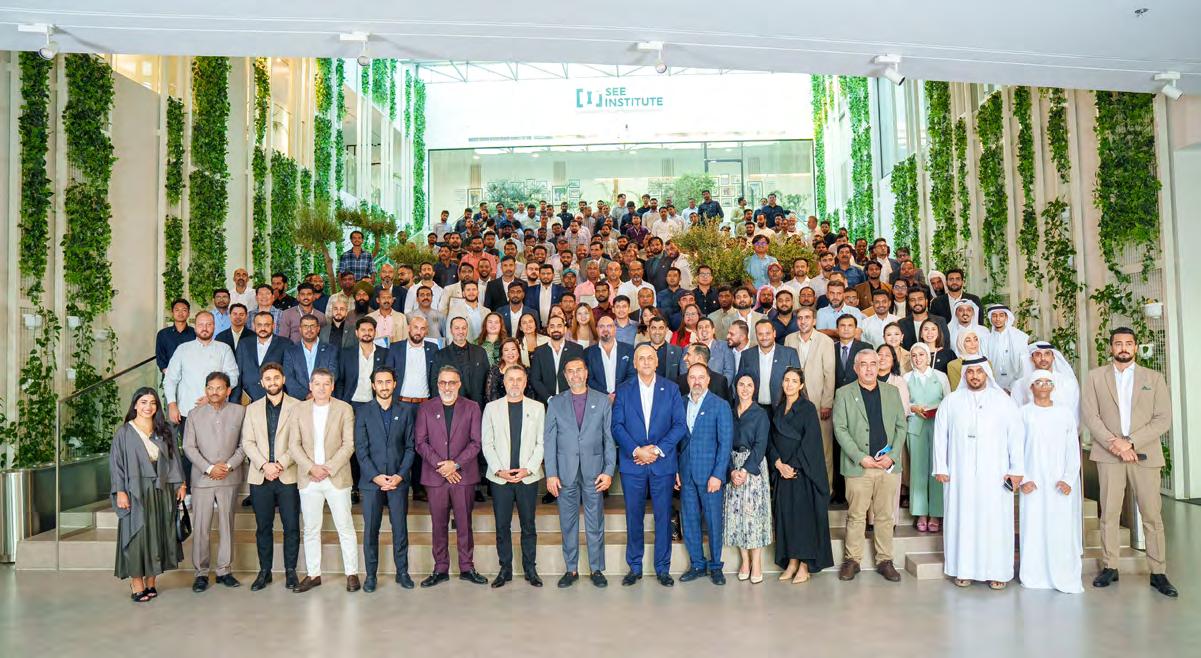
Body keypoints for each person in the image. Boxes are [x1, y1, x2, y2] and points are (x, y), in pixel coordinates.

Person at [1081, 327, 1176, 597]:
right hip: (1109, 455)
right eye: (1118, 343)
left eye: (1128, 343)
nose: (1123, 347)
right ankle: (1110, 566)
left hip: (1144, 454)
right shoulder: (1095, 377)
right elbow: (1090, 415)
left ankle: (1158, 572)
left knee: (1152, 515)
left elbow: (1163, 418)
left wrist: (1130, 442)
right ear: (1111, 347)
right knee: (1109, 513)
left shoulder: (1153, 378)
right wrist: (1115, 444)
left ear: (1135, 347)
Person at [932, 357, 1024, 590]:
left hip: (996, 474)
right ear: (964, 374)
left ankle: (998, 572)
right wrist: (940, 466)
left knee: (995, 522)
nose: (974, 376)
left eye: (979, 371)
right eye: (970, 372)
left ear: (987, 374)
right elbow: (940, 436)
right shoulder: (951, 401)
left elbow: (1016, 437)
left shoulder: (1003, 402)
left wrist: (1016, 470)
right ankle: (963, 570)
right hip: (960, 474)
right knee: (962, 520)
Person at [612, 344, 687, 587]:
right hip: (632, 463)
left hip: (661, 463)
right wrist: (637, 450)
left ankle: (662, 568)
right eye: (641, 358)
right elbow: (617, 426)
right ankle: (634, 567)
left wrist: (655, 450)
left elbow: (679, 425)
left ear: (657, 362)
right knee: (633, 516)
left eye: (650, 358)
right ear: (634, 363)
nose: (645, 362)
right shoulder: (623, 390)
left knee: (663, 517)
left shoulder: (671, 389)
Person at [832, 351, 907, 583]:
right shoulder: (844, 393)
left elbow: (901, 426)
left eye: (873, 364)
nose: (869, 369)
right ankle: (852, 560)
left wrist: (892, 456)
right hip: (859, 466)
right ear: (855, 368)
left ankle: (885, 560)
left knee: (885, 516)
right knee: (856, 515)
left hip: (887, 466)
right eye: (863, 364)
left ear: (879, 366)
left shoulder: (892, 392)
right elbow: (840, 428)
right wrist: (859, 457)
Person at [544, 356, 616, 588]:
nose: (575, 374)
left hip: (594, 472)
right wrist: (551, 473)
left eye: (579, 370)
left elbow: (609, 439)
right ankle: (571, 569)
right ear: (565, 376)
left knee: (595, 522)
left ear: (586, 373)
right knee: (568, 522)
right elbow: (549, 441)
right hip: (564, 472)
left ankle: (596, 569)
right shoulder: (555, 403)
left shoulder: (602, 401)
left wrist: (608, 471)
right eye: (570, 371)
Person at [110, 388, 186, 603]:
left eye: (153, 403)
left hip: (162, 488)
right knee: (138, 536)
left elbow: (174, 458)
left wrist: (181, 483)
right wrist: (120, 491)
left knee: (158, 534)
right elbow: (116, 464)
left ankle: (151, 581)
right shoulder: (125, 432)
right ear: (135, 405)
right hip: (135, 490)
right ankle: (137, 583)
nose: (148, 407)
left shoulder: (164, 430)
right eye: (143, 402)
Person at [415, 366, 488, 587]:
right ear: (438, 385)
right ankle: (440, 569)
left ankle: (467, 567)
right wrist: (442, 466)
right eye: (443, 383)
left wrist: (454, 464)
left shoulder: (472, 407)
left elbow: (476, 442)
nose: (447, 387)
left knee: (464, 524)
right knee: (438, 525)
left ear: (459, 384)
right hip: (435, 476)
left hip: (463, 476)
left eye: (452, 382)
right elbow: (420, 442)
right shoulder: (425, 408)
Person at [290, 368, 360, 593]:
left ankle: (351, 573)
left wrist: (328, 468)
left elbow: (349, 444)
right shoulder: (298, 409)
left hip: (336, 477)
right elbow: (293, 445)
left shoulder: (344, 409)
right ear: (310, 386)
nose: (321, 388)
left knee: (345, 527)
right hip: (309, 478)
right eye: (317, 384)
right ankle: (313, 574)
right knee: (311, 529)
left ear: (332, 386)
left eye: (326, 384)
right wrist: (312, 467)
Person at [1018, 371, 1084, 594]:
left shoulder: (1064, 413)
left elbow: (1072, 450)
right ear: (1031, 387)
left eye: (1048, 382)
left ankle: (1063, 575)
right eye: (1038, 382)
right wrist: (1024, 478)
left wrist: (1068, 478)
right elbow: (1015, 448)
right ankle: (1034, 576)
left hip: (1059, 484)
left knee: (1060, 529)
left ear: (1053, 387)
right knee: (1033, 529)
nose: (1043, 386)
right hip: (1033, 483)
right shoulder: (1023, 413)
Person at [481, 364, 545, 588]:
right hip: (501, 477)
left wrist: (529, 469)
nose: (515, 383)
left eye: (519, 379)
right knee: (502, 525)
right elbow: (487, 443)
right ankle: (505, 569)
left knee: (528, 525)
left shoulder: (537, 408)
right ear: (504, 382)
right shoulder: (491, 408)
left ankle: (530, 569)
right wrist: (499, 470)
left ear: (525, 382)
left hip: (527, 477)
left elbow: (541, 443)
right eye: (511, 379)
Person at [182, 372, 246, 592]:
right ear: (205, 390)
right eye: (210, 388)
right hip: (203, 479)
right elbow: (189, 447)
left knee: (227, 525)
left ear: (228, 390)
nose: (214, 392)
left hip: (229, 477)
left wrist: (228, 466)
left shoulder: (239, 412)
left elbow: (244, 445)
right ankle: (201, 573)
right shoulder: (194, 415)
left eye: (219, 388)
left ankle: (224, 571)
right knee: (201, 527)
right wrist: (209, 468)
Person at [355, 366, 417, 592]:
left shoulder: (406, 411)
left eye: (388, 382)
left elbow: (410, 447)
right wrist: (376, 477)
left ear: (394, 384)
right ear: (373, 385)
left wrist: (400, 475)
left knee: (400, 529)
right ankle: (371, 575)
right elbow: (361, 449)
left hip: (398, 482)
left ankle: (402, 572)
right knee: (371, 531)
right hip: (372, 483)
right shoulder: (363, 411)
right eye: (379, 382)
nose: (384, 386)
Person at [769, 367, 834, 582]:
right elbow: (771, 441)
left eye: (794, 381)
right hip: (782, 473)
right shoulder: (778, 409)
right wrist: (779, 464)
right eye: (786, 380)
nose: (789, 384)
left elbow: (811, 443)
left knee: (803, 520)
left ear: (801, 385)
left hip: (802, 473)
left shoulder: (807, 408)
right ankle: (791, 562)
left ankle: (804, 565)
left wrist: (792, 466)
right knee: (786, 518)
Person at [241, 362, 301, 592]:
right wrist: (265, 465)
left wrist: (280, 464)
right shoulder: (252, 409)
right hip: (261, 477)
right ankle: (264, 571)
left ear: (283, 380)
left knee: (291, 526)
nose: (272, 382)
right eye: (268, 378)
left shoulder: (297, 406)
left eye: (276, 378)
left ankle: (290, 571)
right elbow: (247, 442)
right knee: (263, 527)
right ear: (261, 382)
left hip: (288, 476)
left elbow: (299, 442)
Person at [162, 311, 239, 487]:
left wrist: (212, 398)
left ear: (214, 326)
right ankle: (189, 491)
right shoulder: (183, 349)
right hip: (187, 411)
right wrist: (172, 404)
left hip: (218, 411)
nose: (205, 328)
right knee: (190, 452)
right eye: (201, 324)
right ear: (195, 326)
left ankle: (216, 489)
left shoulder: (224, 349)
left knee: (217, 451)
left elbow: (233, 377)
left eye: (209, 324)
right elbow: (170, 379)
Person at [676, 364, 734, 586]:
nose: (697, 381)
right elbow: (676, 441)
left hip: (710, 475)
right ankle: (697, 564)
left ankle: (716, 566)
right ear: (687, 380)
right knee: (689, 520)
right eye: (693, 377)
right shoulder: (680, 403)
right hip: (686, 473)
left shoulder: (720, 405)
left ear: (708, 380)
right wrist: (676, 470)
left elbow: (725, 443)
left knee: (713, 521)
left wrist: (718, 474)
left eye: (701, 377)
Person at [724, 374, 773, 583]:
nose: (745, 389)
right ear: (736, 387)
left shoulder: (760, 414)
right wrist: (731, 471)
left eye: (749, 385)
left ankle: (757, 563)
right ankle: (745, 561)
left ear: (755, 389)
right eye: (741, 384)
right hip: (732, 466)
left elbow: (761, 445)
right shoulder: (728, 412)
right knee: (737, 517)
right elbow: (723, 441)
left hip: (752, 468)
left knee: (753, 517)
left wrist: (744, 470)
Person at [903, 343, 951, 534]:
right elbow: (903, 403)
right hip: (915, 427)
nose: (917, 358)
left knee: (937, 468)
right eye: (914, 355)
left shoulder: (940, 376)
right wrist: (913, 408)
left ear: (928, 357)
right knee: (918, 470)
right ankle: (921, 513)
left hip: (937, 426)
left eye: (921, 354)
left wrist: (938, 410)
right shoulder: (906, 378)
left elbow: (949, 401)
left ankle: (936, 513)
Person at [736, 318, 802, 410]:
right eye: (760, 334)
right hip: (754, 409)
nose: (764, 337)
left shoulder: (789, 354)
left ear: (774, 333)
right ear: (756, 335)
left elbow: (798, 383)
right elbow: (740, 383)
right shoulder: (746, 355)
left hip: (782, 409)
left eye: (767, 333)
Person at [235, 311, 292, 401]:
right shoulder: (244, 344)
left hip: (276, 398)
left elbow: (289, 375)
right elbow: (237, 374)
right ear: (254, 326)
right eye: (259, 325)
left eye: (267, 325)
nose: (263, 328)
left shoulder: (285, 344)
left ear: (273, 326)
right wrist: (235, 400)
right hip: (248, 399)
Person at [282, 314, 340, 400]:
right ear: (300, 329)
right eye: (305, 326)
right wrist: (306, 395)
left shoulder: (331, 350)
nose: (309, 329)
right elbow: (288, 377)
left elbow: (333, 374)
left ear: (318, 328)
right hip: (298, 401)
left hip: (325, 399)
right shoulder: (290, 351)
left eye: (312, 326)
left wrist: (318, 394)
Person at [1011, 341, 1080, 412]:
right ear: (1032, 359)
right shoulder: (1019, 385)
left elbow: (1073, 413)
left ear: (1053, 357)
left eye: (1047, 354)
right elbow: (1015, 414)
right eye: (1038, 354)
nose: (1043, 358)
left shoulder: (1068, 383)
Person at [584, 315, 635, 397]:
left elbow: (631, 375)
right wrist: (606, 395)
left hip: (623, 397)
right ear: (597, 329)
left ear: (615, 329)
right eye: (601, 326)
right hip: (599, 398)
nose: (605, 329)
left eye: (609, 326)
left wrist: (617, 394)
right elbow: (589, 378)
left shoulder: (629, 350)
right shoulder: (588, 352)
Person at [982, 304, 1029, 391]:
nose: (998, 319)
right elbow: (984, 364)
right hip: (992, 386)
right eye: (994, 316)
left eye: (1001, 315)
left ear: (1006, 317)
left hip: (1016, 385)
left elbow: (1024, 364)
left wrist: (1013, 387)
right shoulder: (985, 340)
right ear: (990, 318)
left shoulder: (1019, 337)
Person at [156, 298, 196, 373]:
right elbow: (160, 357)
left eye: (184, 310)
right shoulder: (163, 334)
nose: (180, 313)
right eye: (177, 310)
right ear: (172, 313)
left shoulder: (195, 333)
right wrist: (168, 373)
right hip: (169, 374)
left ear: (188, 313)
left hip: (191, 375)